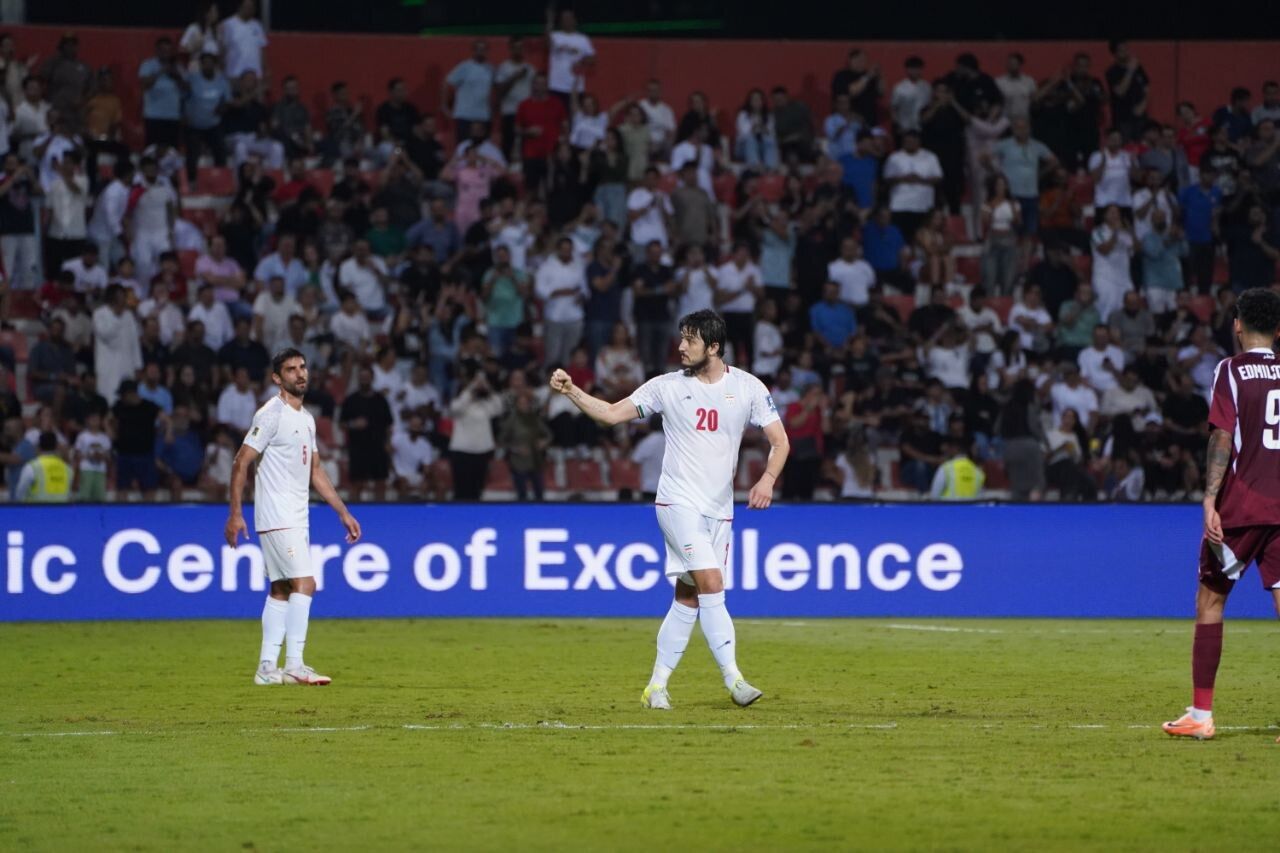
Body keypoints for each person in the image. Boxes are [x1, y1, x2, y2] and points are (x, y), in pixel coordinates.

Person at [549, 309, 789, 710]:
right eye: (681, 338)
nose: (681, 347)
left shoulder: (748, 388)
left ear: (712, 347)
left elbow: (779, 441)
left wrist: (766, 480)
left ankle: (656, 688)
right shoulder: (666, 388)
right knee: (712, 584)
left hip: (719, 509)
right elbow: (610, 414)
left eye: (690, 340)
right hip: (676, 502)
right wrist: (572, 390)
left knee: (688, 598)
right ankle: (736, 680)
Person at [1162, 288, 1280, 739]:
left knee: (1210, 600)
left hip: (1243, 504)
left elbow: (1222, 437)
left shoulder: (1230, 370)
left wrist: (1210, 498)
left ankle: (1201, 716)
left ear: (1237, 324)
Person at [225, 348, 360, 688]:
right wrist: (235, 513)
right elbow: (241, 461)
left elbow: (315, 470)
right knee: (306, 583)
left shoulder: (306, 419)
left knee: (281, 590)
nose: (300, 374)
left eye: (303, 367)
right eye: (291, 370)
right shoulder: (271, 414)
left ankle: (267, 668)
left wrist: (342, 512)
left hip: (294, 516)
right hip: (277, 513)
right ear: (277, 378)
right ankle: (296, 664)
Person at [15, 431, 72, 503]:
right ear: (57, 446)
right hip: (61, 512)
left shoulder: (32, 467)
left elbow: (20, 493)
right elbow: (70, 494)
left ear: (38, 447)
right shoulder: (67, 468)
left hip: (37, 512)